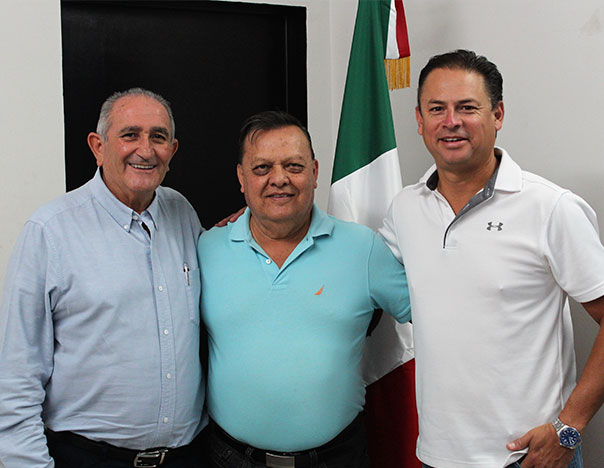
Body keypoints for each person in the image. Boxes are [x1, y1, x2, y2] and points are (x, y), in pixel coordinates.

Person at [379, 49, 604, 468]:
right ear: (419, 120)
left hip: (528, 458)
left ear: (497, 114)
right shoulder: (405, 209)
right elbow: (359, 270)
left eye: (467, 107)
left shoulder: (550, 208)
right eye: (436, 109)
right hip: (436, 456)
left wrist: (569, 427)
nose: (451, 121)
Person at [0, 88, 207, 468]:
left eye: (158, 137)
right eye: (130, 135)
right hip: (87, 458)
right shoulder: (50, 231)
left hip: (188, 457)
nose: (145, 150)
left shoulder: (182, 213)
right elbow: (15, 375)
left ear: (172, 150)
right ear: (98, 147)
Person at [197, 110, 411, 468]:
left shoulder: (364, 249)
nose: (279, 179)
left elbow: (438, 319)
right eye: (262, 168)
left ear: (314, 172)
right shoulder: (207, 249)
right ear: (241, 178)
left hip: (337, 459)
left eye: (293, 166)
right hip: (229, 458)